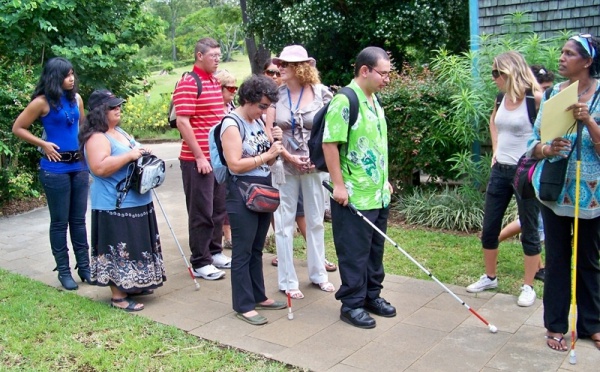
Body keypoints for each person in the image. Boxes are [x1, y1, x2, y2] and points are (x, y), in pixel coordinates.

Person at [526, 34, 600, 352]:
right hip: (554, 192)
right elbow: (533, 144)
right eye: (562, 52)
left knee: (588, 261)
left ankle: (591, 325)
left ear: (587, 61)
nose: (562, 57)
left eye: (569, 53)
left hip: (591, 197)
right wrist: (547, 148)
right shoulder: (554, 94)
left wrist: (590, 122)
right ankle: (555, 326)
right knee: (557, 261)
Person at [323, 46, 395, 329]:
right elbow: (330, 143)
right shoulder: (344, 100)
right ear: (365, 70)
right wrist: (338, 185)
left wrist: (384, 179)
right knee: (354, 252)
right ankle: (351, 304)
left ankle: (371, 296)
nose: (387, 79)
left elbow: (376, 144)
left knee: (375, 251)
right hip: (352, 196)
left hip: (377, 194)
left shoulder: (374, 101)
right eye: (383, 74)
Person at [466, 51, 544, 308]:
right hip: (500, 170)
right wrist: (496, 149)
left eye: (496, 73)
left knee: (530, 229)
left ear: (510, 72)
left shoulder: (535, 98)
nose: (493, 78)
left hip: (526, 171)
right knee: (489, 227)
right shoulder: (501, 98)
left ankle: (528, 286)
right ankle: (490, 277)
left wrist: (536, 158)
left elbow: (547, 132)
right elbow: (493, 121)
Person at [79, 89, 166, 312]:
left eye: (119, 105)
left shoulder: (119, 131)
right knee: (119, 246)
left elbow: (133, 150)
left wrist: (141, 151)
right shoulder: (97, 137)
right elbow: (99, 168)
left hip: (136, 199)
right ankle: (118, 295)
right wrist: (129, 155)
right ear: (100, 111)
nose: (118, 109)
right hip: (114, 203)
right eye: (112, 107)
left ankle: (133, 284)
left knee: (136, 243)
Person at [12, 57, 90, 291]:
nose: (72, 78)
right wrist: (43, 144)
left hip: (79, 166)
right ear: (55, 78)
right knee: (59, 222)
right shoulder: (41, 102)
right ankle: (64, 271)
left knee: (78, 220)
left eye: (73, 74)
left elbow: (83, 127)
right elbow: (18, 128)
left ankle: (84, 267)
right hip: (55, 170)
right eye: (67, 75)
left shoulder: (76, 99)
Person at [267, 45, 335, 299]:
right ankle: (287, 281)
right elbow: (268, 131)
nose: (279, 69)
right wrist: (287, 155)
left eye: (285, 65)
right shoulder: (276, 95)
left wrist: (319, 159)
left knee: (315, 219)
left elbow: (331, 131)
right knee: (284, 223)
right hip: (285, 165)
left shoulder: (322, 94)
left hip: (314, 166)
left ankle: (318, 274)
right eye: (280, 64)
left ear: (300, 67)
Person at [221, 75, 286, 325]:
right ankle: (243, 304)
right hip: (241, 192)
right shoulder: (231, 124)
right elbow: (235, 165)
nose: (265, 110)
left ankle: (259, 296)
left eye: (268, 106)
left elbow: (269, 159)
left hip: (261, 190)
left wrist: (275, 144)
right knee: (242, 250)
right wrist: (266, 155)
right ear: (247, 99)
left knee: (257, 248)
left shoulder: (257, 121)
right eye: (262, 105)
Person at [173, 37, 231, 280]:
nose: (217, 60)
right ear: (199, 56)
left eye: (219, 56)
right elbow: (182, 121)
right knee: (201, 211)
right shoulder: (189, 82)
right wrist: (199, 156)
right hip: (197, 160)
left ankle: (215, 251)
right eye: (213, 56)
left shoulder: (213, 81)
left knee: (219, 208)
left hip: (216, 159)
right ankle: (200, 260)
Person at [497, 64, 556, 282]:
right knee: (532, 221)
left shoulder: (546, 105)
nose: (544, 92)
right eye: (541, 87)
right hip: (523, 170)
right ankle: (537, 266)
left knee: (533, 220)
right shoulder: (524, 102)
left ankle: (537, 268)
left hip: (541, 167)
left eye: (548, 88)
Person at [215, 69, 238, 249]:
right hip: (218, 160)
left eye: (235, 88)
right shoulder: (215, 109)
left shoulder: (231, 108)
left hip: (231, 158)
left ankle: (229, 233)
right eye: (230, 89)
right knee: (220, 198)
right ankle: (226, 235)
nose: (234, 92)